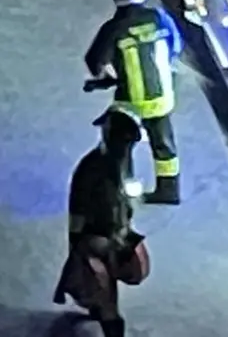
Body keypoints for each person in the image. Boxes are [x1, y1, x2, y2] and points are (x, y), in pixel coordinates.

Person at [82, 0, 182, 205]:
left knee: (118, 143)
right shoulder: (159, 17)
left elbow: (94, 62)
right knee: (164, 145)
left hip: (130, 103)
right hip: (162, 98)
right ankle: (169, 191)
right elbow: (175, 46)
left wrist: (107, 78)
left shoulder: (113, 28)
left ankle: (123, 189)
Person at [53, 105, 148, 335]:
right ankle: (108, 321)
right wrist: (77, 246)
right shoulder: (91, 169)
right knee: (106, 297)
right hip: (95, 239)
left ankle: (97, 304)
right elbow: (78, 213)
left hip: (118, 234)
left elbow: (124, 198)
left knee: (136, 270)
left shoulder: (122, 161)